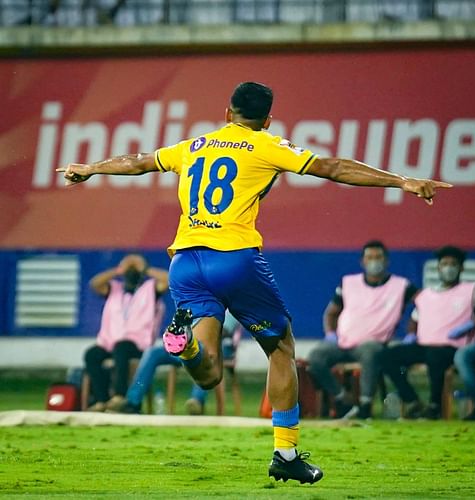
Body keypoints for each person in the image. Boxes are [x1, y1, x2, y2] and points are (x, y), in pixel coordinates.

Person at [57, 81, 451, 483]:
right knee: (281, 346)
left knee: (208, 373)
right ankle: (286, 453)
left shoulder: (193, 145)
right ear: (267, 120)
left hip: (185, 263)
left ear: (227, 113)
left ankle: (186, 344)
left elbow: (138, 161)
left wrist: (90, 169)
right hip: (234, 259)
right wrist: (401, 180)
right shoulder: (266, 145)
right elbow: (333, 168)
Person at [308, 240, 418, 420]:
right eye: (370, 257)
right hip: (342, 343)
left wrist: (412, 332)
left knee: (371, 351)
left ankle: (365, 404)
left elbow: (426, 304)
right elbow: (331, 313)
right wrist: (330, 334)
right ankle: (343, 399)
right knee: (316, 356)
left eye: (378, 257)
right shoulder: (348, 283)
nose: (374, 261)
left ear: (386, 261)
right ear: (363, 262)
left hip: (372, 344)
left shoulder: (401, 286)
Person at [380, 246, 475, 419]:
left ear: (461, 268)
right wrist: (411, 335)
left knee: (435, 356)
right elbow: (414, 320)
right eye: (444, 263)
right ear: (438, 267)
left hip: (453, 347)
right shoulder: (426, 294)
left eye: (453, 264)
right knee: (387, 356)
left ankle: (435, 405)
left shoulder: (473, 290)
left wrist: (472, 324)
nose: (448, 268)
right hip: (424, 345)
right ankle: (412, 400)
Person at [107, 311, 243, 415]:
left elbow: (223, 331)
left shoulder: (228, 302)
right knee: (153, 352)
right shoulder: (197, 296)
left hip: (213, 348)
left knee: (203, 350)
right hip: (187, 345)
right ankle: (133, 402)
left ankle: (196, 401)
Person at [84, 254, 168, 412]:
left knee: (122, 348)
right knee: (92, 354)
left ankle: (119, 396)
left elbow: (169, 280)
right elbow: (95, 284)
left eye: (134, 268)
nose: (131, 271)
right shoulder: (114, 289)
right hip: (109, 343)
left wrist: (145, 269)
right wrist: (118, 270)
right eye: (128, 268)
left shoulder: (150, 289)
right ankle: (102, 400)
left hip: (137, 345)